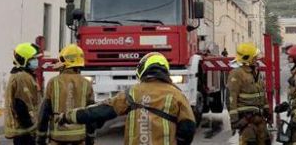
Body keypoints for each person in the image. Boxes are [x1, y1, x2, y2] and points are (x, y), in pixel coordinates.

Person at [58, 52, 196, 145]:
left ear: (143, 70)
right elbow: (188, 127)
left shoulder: (132, 93)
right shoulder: (177, 95)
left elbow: (100, 111)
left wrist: (68, 116)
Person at [37, 44, 95, 145]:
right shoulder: (86, 83)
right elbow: (91, 114)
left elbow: (44, 112)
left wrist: (41, 137)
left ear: (65, 61)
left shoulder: (53, 82)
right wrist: (90, 137)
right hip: (79, 138)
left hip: (58, 138)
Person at [228, 42, 270, 145]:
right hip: (246, 120)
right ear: (248, 58)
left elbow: (261, 93)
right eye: (255, 57)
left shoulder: (255, 72)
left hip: (260, 119)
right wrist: (234, 120)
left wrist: (267, 110)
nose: (257, 59)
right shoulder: (237, 73)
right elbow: (232, 97)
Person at [5, 43, 43, 145]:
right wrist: (32, 129)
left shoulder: (26, 75)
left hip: (26, 132)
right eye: (32, 59)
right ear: (23, 60)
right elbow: (21, 106)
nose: (36, 61)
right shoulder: (21, 77)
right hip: (25, 133)